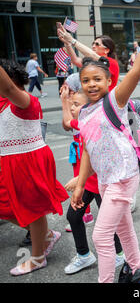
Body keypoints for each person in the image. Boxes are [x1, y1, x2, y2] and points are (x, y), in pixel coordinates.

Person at [71, 11, 140, 283]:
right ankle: (137, 272)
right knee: (124, 230)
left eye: (97, 80)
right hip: (105, 178)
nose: (91, 84)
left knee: (101, 236)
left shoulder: (113, 101)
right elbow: (89, 149)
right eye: (86, 80)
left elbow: (136, 72)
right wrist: (80, 185)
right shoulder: (84, 113)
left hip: (123, 177)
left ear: (109, 82)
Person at [0, 59, 68, 276]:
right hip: (9, 160)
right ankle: (45, 235)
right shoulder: (3, 102)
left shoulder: (25, 100)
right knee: (6, 207)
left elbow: (9, 89)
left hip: (27, 160)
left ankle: (38, 258)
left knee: (34, 210)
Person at [60, 85, 125, 274]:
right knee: (73, 216)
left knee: (109, 224)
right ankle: (84, 255)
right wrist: (65, 100)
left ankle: (120, 255)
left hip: (102, 182)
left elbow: (98, 160)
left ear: (89, 107)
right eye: (73, 105)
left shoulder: (96, 124)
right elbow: (66, 121)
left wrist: (78, 179)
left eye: (76, 105)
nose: (73, 109)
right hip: (88, 183)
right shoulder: (81, 121)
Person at [56, 26, 120, 91]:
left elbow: (92, 55)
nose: (93, 46)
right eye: (93, 43)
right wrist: (67, 43)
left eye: (97, 44)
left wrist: (71, 40)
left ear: (106, 50)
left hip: (106, 99)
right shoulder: (93, 61)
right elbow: (75, 60)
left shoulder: (112, 62)